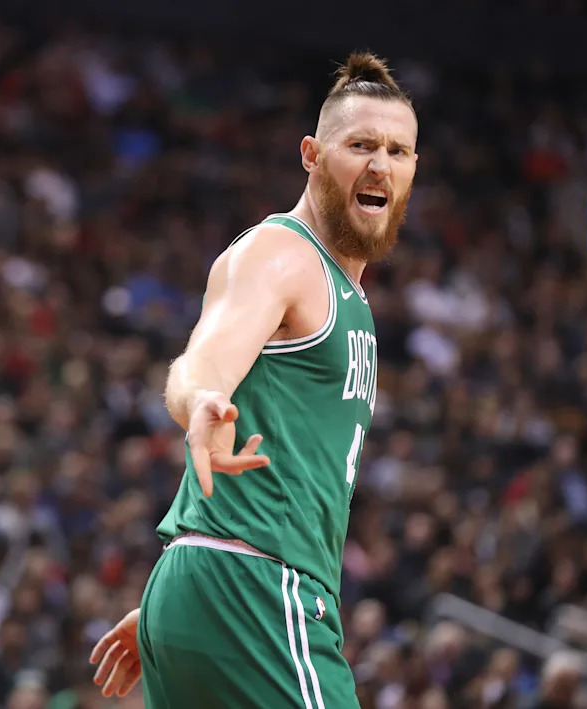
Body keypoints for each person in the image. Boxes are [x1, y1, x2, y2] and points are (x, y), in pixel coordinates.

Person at [89, 50, 418, 708]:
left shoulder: (351, 295)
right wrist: (201, 400)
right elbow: (205, 357)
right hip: (260, 593)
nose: (380, 164)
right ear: (312, 155)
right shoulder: (282, 253)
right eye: (359, 145)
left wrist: (191, 606)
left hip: (211, 592)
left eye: (397, 151)